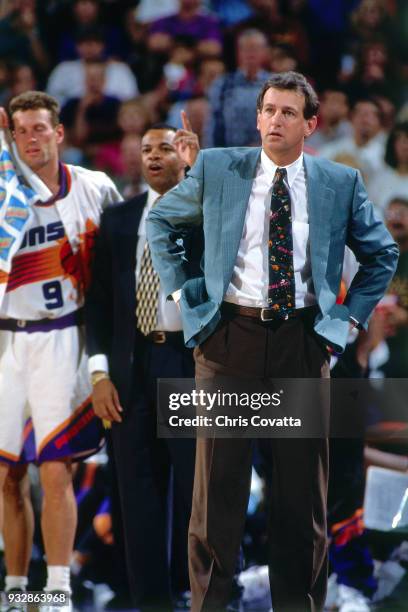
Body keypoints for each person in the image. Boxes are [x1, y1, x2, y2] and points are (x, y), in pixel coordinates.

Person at [147, 71, 398, 611]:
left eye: (288, 112)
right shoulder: (218, 167)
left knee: (301, 501)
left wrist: (347, 320)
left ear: (311, 124)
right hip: (226, 341)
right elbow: (161, 223)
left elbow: (383, 255)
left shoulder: (339, 182)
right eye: (268, 110)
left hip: (302, 344)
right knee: (216, 499)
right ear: (257, 118)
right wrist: (185, 296)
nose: (275, 121)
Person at [0, 90, 121, 609]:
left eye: (39, 128)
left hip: (66, 338)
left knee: (56, 467)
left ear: (59, 133)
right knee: (7, 474)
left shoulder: (95, 187)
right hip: (8, 339)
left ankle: (56, 591)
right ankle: (13, 588)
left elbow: (126, 259)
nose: (31, 138)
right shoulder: (3, 197)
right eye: (20, 129)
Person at [85, 117, 200, 609]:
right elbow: (99, 304)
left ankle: (210, 595)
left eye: (166, 148)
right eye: (147, 148)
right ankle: (151, 601)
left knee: (202, 494)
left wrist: (197, 180)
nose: (154, 155)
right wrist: (99, 372)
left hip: (190, 364)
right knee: (138, 495)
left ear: (184, 156)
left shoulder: (206, 210)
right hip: (132, 364)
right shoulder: (119, 219)